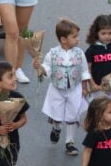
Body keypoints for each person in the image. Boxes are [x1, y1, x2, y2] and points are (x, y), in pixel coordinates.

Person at [36, 18, 92, 156]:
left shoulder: (79, 53)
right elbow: (47, 68)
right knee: (56, 113)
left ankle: (70, 142)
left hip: (74, 89)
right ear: (63, 39)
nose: (77, 39)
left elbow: (84, 70)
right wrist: (40, 68)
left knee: (72, 115)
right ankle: (56, 127)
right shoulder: (53, 53)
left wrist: (84, 88)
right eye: (74, 37)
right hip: (57, 89)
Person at [84, 15, 111, 89]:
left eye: (110, 33)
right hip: (98, 87)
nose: (107, 36)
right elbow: (87, 69)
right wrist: (92, 84)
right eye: (103, 33)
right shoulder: (92, 49)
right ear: (96, 33)